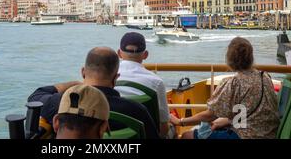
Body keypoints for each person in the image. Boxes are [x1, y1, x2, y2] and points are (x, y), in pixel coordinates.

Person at [28, 47, 159, 139]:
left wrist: (76, 84)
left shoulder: (60, 103)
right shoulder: (137, 111)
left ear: (83, 72)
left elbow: (35, 97)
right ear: (115, 79)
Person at [170, 37, 280, 139]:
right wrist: (227, 121)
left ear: (230, 59)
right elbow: (251, 113)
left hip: (246, 136)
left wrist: (181, 121)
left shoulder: (234, 83)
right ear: (251, 57)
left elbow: (209, 116)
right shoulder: (264, 76)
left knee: (186, 135)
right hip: (269, 133)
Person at [115, 32, 170, 137]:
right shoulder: (156, 82)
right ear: (145, 55)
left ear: (119, 53)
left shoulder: (108, 78)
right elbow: (163, 127)